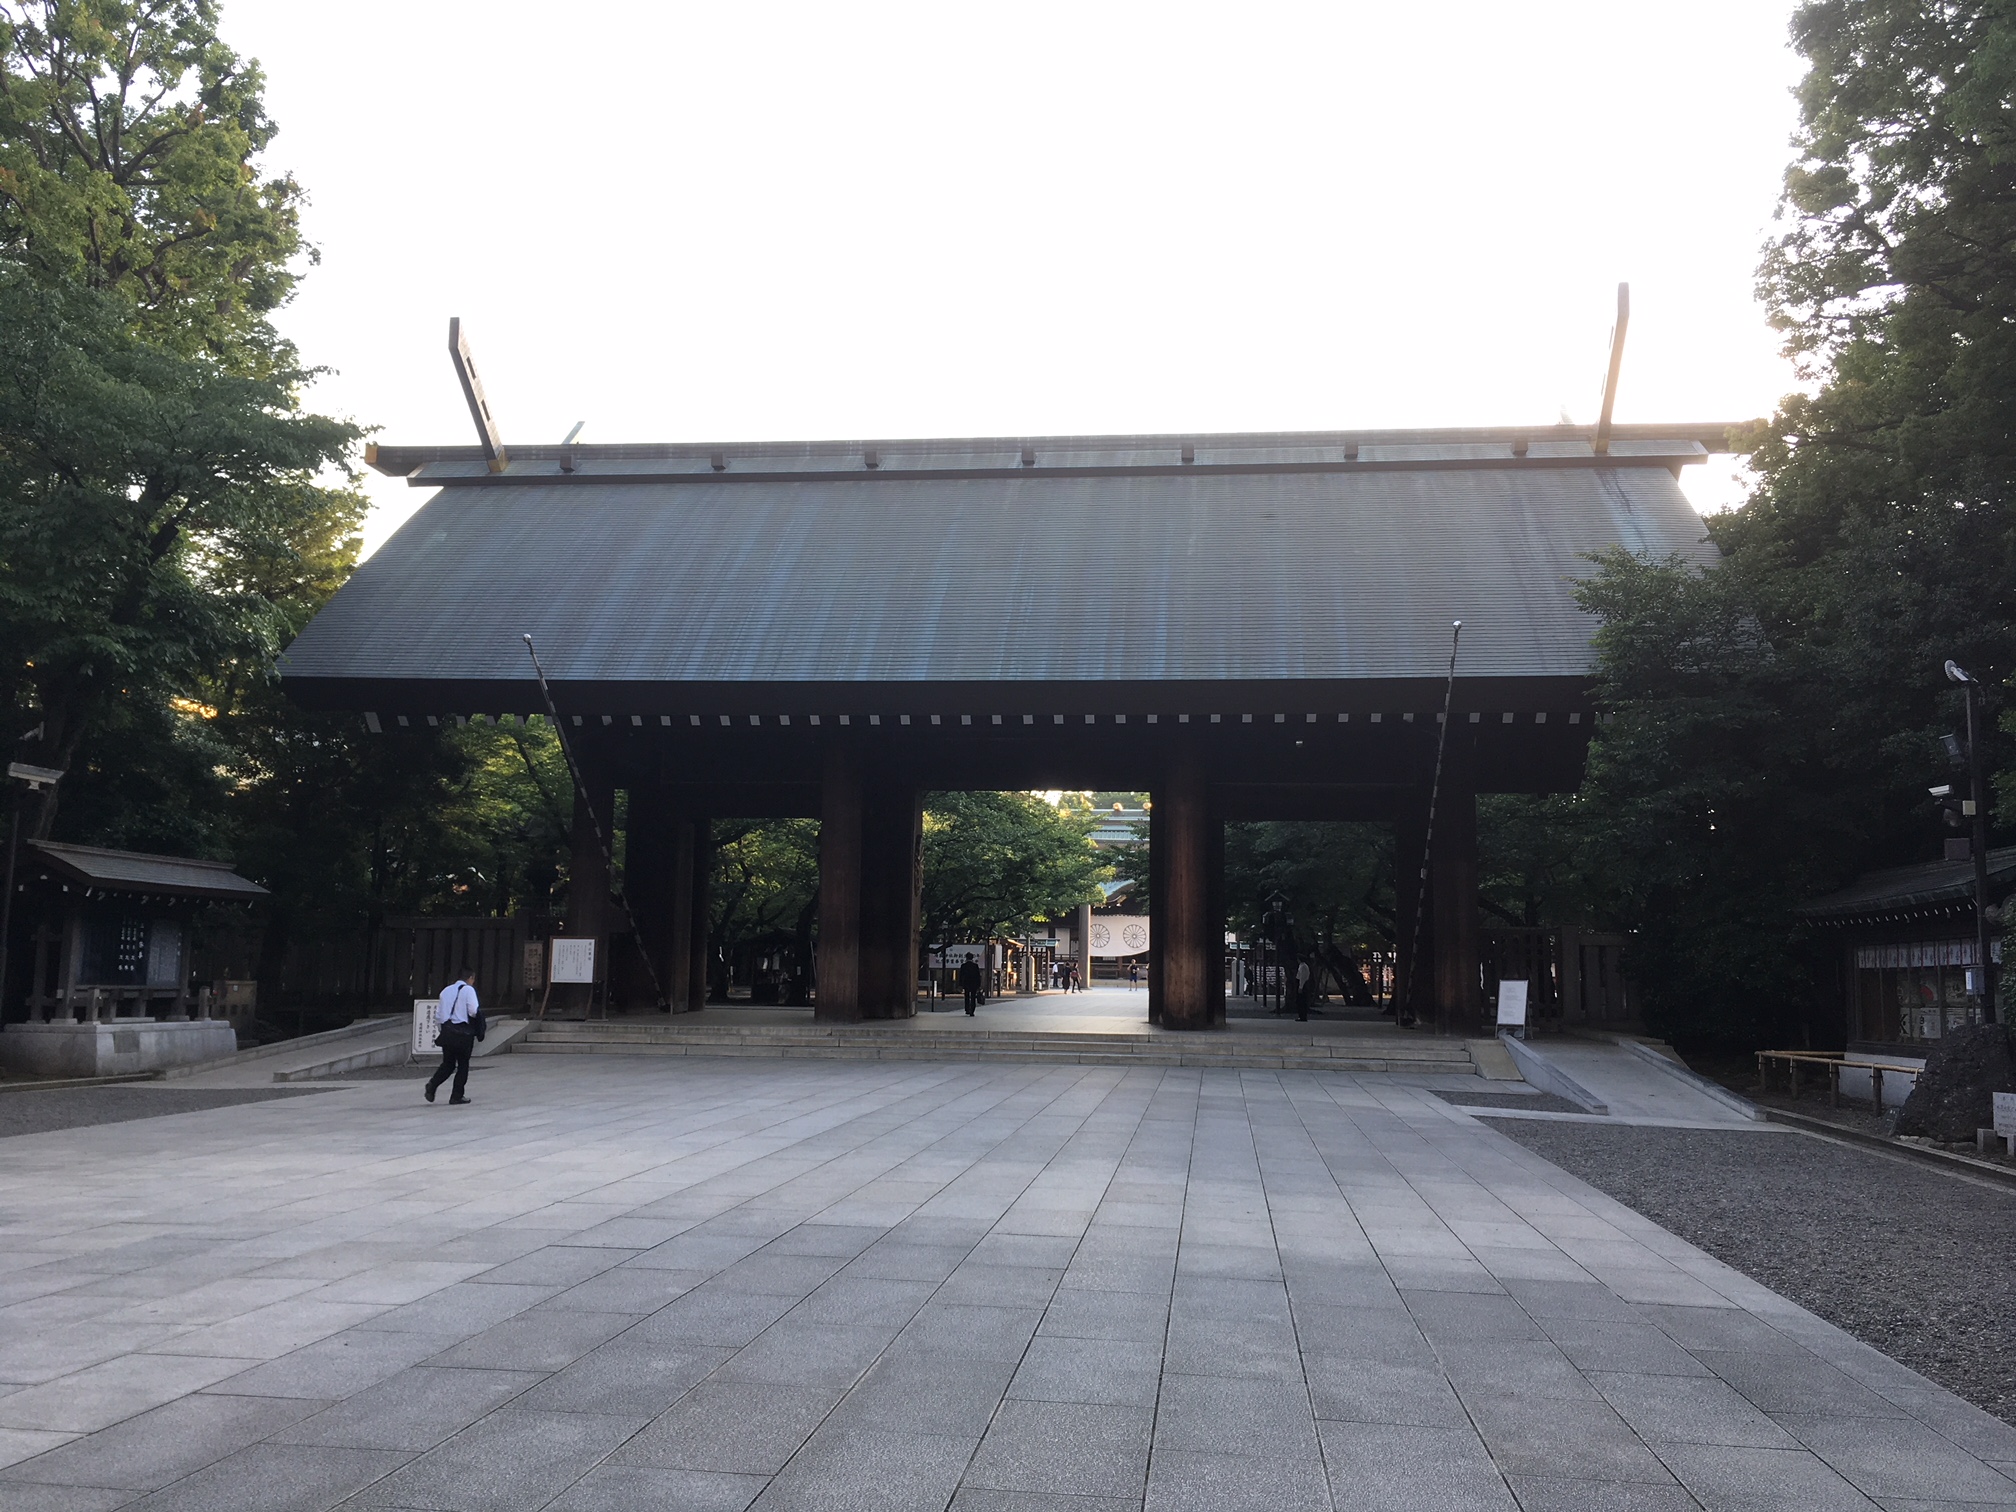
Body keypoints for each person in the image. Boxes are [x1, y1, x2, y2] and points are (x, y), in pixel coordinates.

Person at [426, 970, 484, 1104]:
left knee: (448, 1064)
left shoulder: (445, 991)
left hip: (448, 1032)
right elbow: (473, 1010)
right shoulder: (468, 990)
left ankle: (432, 1084)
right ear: (471, 978)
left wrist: (444, 1030)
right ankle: (456, 1095)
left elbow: (439, 1015)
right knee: (463, 1065)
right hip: (463, 1033)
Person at [1295, 957, 1313, 1022]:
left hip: (1303, 984)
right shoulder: (1303, 966)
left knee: (1301, 1001)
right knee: (1301, 1002)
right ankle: (1302, 1015)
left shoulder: (1303, 967)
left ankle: (1302, 1016)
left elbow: (1302, 977)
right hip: (1303, 983)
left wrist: (1300, 987)